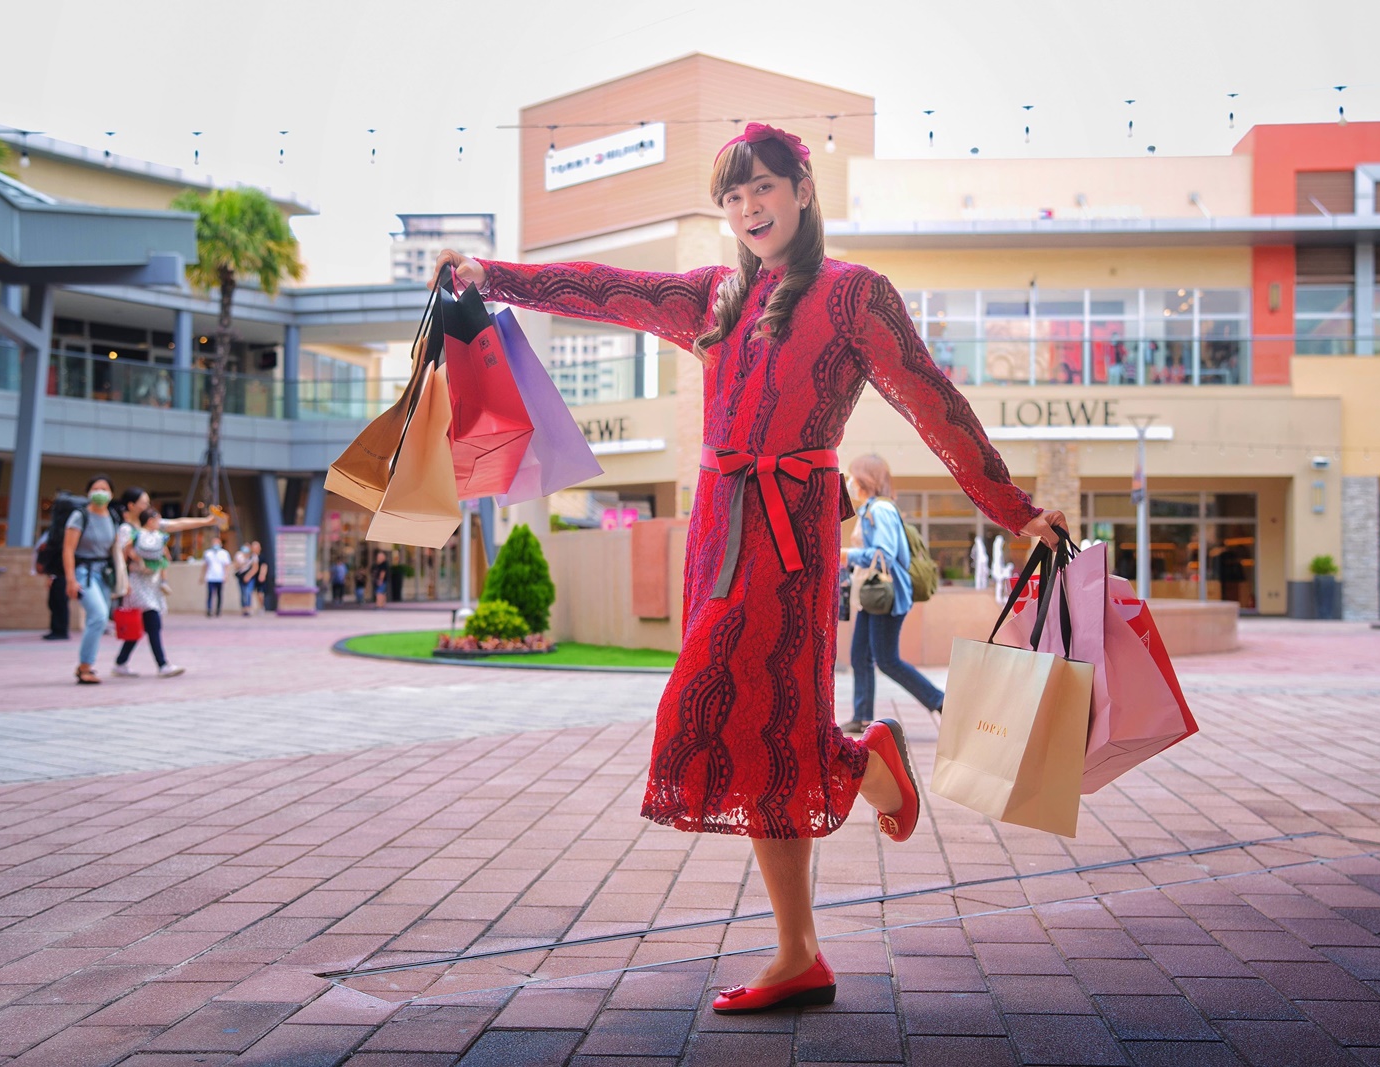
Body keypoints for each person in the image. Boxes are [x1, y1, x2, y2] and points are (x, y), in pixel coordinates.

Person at [429, 122, 1066, 1014]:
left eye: (763, 187)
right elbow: (608, 289)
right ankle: (802, 942)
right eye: (732, 196)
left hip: (792, 530)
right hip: (718, 526)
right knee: (756, 727)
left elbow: (930, 397)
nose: (748, 207)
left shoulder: (855, 296)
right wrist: (491, 277)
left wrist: (1011, 506)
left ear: (803, 189)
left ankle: (858, 770)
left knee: (750, 713)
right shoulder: (714, 296)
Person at [842, 455, 945, 734]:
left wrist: (848, 556)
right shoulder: (869, 510)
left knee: (887, 660)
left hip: (887, 594)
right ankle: (862, 716)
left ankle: (941, 701)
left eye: (853, 476)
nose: (850, 482)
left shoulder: (880, 511)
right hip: (873, 595)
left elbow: (884, 554)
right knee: (860, 656)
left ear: (866, 479)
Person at [112, 494, 218, 677]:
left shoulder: (155, 527)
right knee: (152, 621)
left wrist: (207, 521)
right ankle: (162, 664)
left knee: (143, 624)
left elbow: (179, 523)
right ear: (131, 505)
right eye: (143, 502)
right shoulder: (127, 530)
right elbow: (122, 557)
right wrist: (124, 582)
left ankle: (121, 662)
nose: (146, 505)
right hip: (136, 582)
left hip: (152, 583)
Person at [60, 474, 119, 684]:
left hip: (105, 573)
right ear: (88, 492)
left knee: (100, 620)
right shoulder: (79, 516)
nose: (100, 493)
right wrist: (70, 580)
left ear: (111, 494)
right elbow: (68, 549)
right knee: (99, 615)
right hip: (84, 572)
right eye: (96, 488)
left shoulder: (113, 517)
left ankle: (86, 665)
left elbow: (116, 550)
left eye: (105, 489)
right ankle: (85, 666)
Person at [35, 529, 70, 640]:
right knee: (53, 603)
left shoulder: (61, 541)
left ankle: (60, 631)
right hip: (56, 575)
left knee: (60, 603)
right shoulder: (53, 537)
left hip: (60, 575)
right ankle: (56, 629)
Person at [203, 535, 231, 616]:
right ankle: (209, 609)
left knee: (219, 594)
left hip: (220, 577)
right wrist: (203, 576)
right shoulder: (208, 553)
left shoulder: (224, 553)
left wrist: (226, 575)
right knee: (210, 594)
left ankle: (218, 610)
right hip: (210, 577)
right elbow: (205, 565)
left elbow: (226, 566)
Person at [234, 543, 258, 616]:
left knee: (248, 592)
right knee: (242, 592)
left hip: (250, 576)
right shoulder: (239, 555)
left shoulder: (253, 556)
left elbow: (255, 568)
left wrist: (248, 576)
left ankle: (248, 608)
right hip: (241, 576)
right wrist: (243, 560)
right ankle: (244, 608)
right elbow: (236, 566)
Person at [248, 541, 268, 612]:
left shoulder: (261, 557)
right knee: (250, 593)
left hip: (258, 577)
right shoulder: (251, 556)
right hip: (252, 577)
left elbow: (264, 566)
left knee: (260, 593)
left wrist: (262, 575)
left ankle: (261, 607)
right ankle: (251, 608)